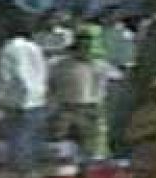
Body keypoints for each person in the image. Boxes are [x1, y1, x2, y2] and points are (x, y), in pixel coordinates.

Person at [46, 27, 115, 160]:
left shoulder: (101, 66)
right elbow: (51, 87)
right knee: (63, 150)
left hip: (91, 109)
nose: (85, 48)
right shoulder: (60, 65)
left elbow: (109, 87)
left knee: (92, 150)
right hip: (66, 109)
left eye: (88, 44)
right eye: (82, 44)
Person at [0, 17, 49, 175]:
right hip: (37, 95)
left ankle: (20, 168)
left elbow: (4, 74)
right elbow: (43, 70)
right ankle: (32, 166)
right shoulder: (35, 47)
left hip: (16, 97)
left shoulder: (9, 48)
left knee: (17, 135)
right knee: (33, 134)